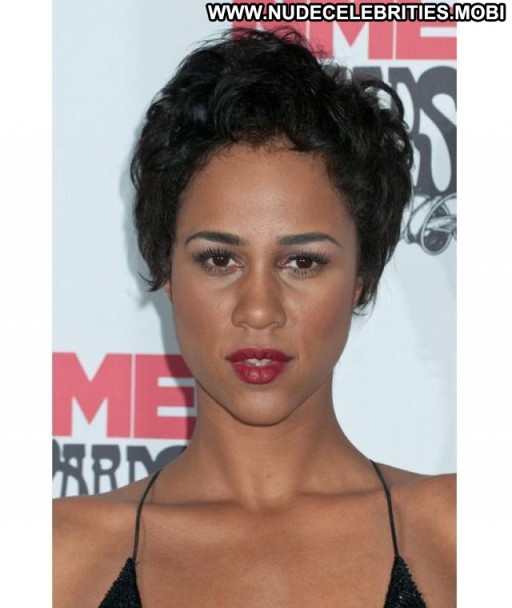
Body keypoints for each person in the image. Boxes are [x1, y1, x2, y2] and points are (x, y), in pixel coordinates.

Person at [53, 28, 455, 607]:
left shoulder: (462, 534)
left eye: (303, 262)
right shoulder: (55, 554)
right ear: (165, 268)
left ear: (361, 277)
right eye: (219, 259)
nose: (259, 309)